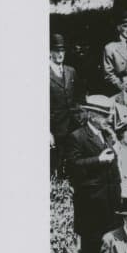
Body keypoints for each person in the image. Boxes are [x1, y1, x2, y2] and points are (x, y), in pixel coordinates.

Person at [67, 99, 122, 253]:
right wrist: (98, 160)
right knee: (91, 236)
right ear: (92, 115)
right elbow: (72, 165)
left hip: (109, 195)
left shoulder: (106, 135)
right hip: (91, 197)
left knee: (107, 234)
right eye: (105, 115)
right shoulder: (77, 136)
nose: (109, 119)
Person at [49, 33, 81, 172]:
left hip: (73, 126)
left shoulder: (71, 71)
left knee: (73, 163)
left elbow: (79, 97)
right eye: (57, 50)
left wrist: (80, 117)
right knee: (56, 165)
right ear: (50, 52)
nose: (60, 54)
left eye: (62, 50)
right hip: (55, 128)